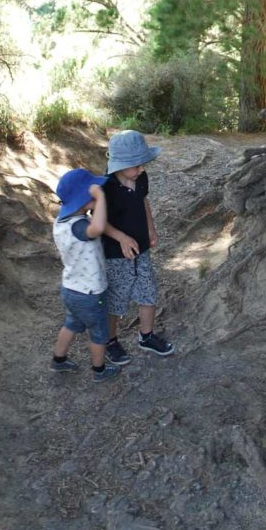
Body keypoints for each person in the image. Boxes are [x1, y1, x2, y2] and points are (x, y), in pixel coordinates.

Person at [102, 130, 174, 362]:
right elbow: (98, 222)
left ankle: (146, 336)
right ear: (120, 165)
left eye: (143, 164)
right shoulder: (106, 188)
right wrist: (121, 237)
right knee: (115, 297)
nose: (142, 169)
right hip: (115, 254)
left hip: (141, 248)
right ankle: (110, 341)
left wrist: (151, 229)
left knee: (148, 290)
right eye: (136, 165)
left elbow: (144, 202)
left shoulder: (141, 179)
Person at [50, 168, 120, 382]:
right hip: (90, 293)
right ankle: (99, 371)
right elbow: (97, 227)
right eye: (91, 192)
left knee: (71, 324)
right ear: (84, 198)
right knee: (99, 333)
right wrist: (100, 198)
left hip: (71, 289)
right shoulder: (79, 227)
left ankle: (58, 360)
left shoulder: (61, 223)